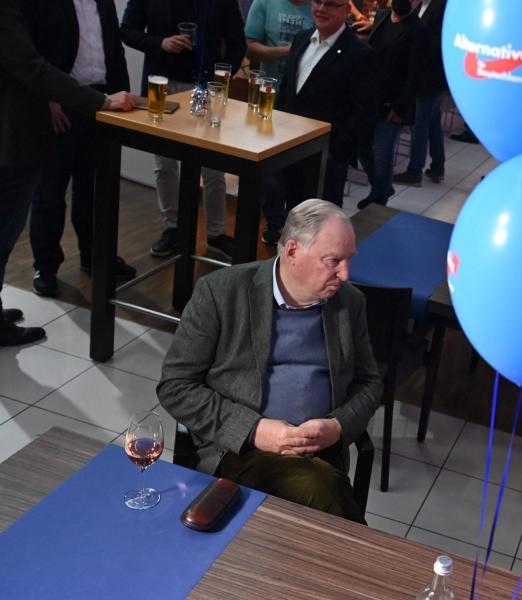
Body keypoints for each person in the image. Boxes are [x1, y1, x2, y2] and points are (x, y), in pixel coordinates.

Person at [158, 199, 382, 521]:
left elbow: (370, 383)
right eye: (333, 261)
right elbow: (175, 387)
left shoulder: (350, 303)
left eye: (349, 260)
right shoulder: (221, 293)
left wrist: (337, 426)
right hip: (241, 449)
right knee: (322, 493)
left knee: (318, 489)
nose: (345, 274)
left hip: (320, 451)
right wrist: (254, 429)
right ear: (292, 251)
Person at [1, 0, 134, 347]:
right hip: (14, 133)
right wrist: (100, 102)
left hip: (25, 127)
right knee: (8, 227)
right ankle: (42, 270)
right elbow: (31, 66)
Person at [120, 0, 246, 260]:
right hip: (161, 85)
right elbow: (127, 30)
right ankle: (172, 229)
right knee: (164, 163)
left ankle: (216, 234)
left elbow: (237, 42)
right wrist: (161, 43)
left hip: (204, 86)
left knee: (213, 165)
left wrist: (221, 81)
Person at [259, 0, 377, 243]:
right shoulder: (301, 39)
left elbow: (364, 113)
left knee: (317, 236)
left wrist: (336, 153)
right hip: (288, 150)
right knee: (290, 227)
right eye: (318, 2)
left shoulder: (360, 54)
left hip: (325, 160)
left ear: (347, 10)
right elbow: (287, 89)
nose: (321, 9)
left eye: (331, 4)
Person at [356, 0, 422, 208]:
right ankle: (382, 186)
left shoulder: (419, 30)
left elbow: (416, 74)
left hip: (393, 105)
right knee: (362, 148)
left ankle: (379, 198)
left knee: (381, 153)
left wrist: (401, 106)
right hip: (369, 98)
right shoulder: (383, 16)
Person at [393, 0, 446, 186]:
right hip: (426, 75)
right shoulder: (418, 5)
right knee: (432, 122)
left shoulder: (441, 6)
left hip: (430, 76)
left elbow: (438, 42)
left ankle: (415, 171)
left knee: (420, 123)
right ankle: (438, 167)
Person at [244, 0, 315, 82]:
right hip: (269, 87)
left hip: (306, 86)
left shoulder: (320, 6)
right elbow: (249, 49)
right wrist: (285, 51)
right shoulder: (264, 2)